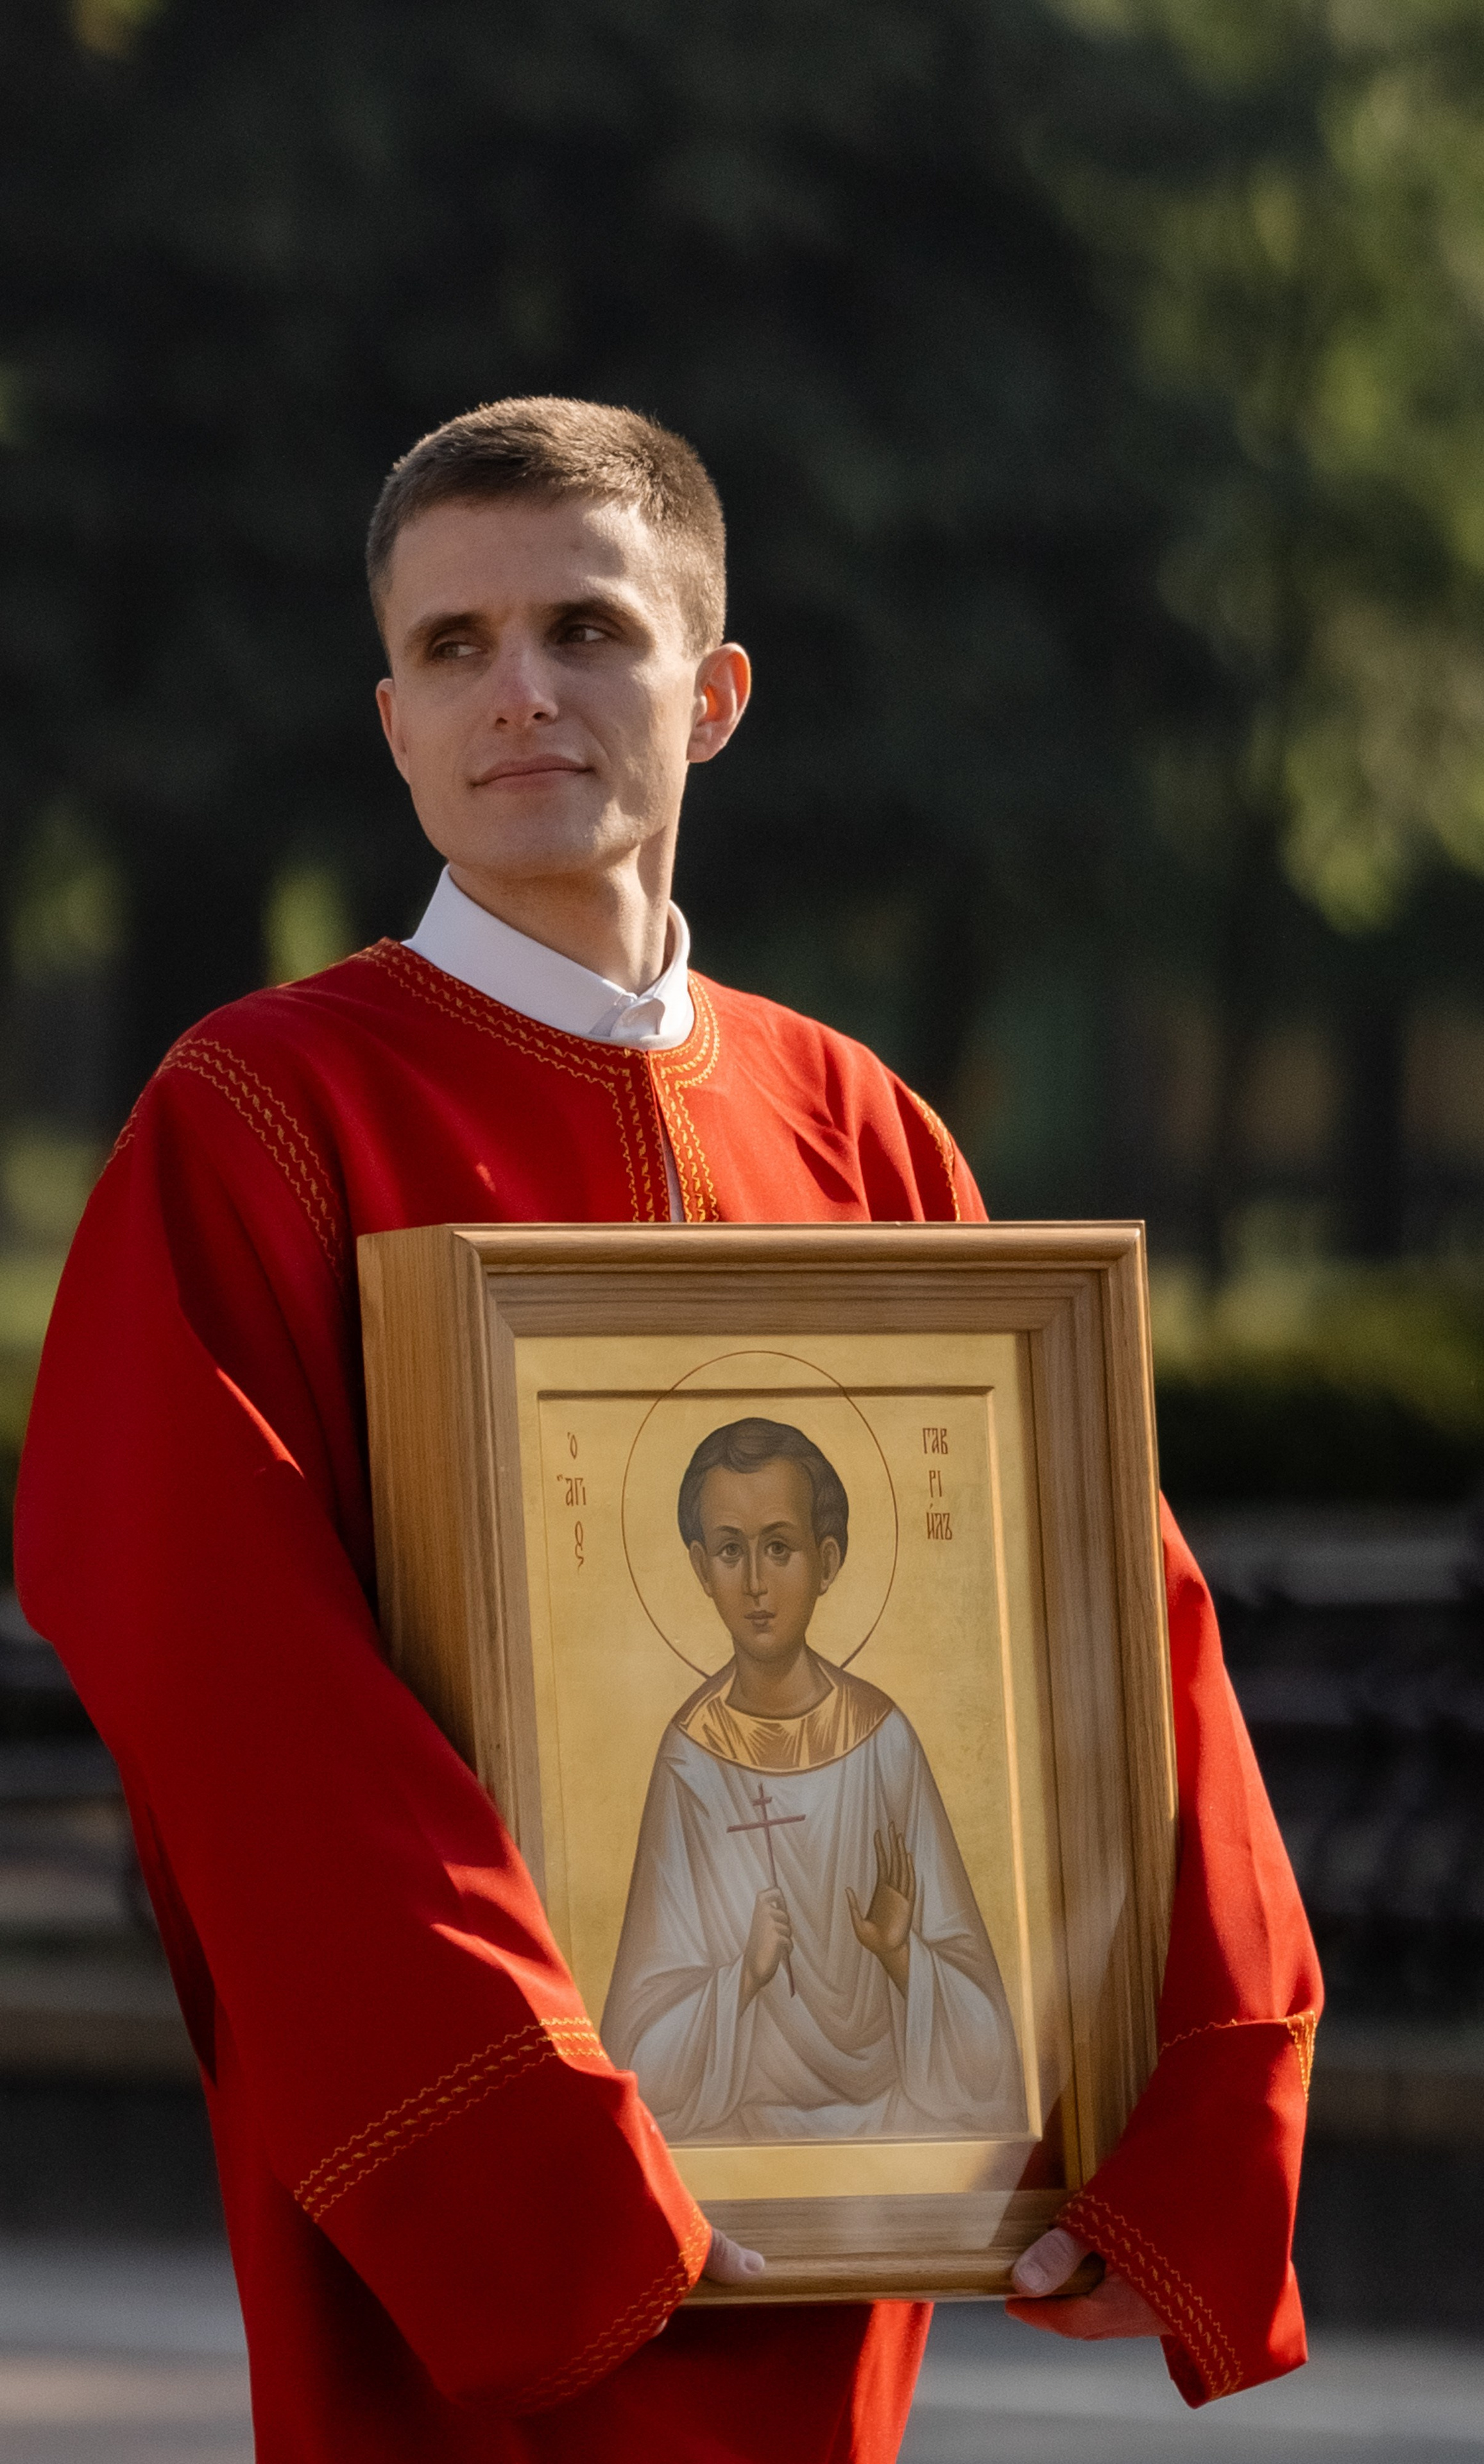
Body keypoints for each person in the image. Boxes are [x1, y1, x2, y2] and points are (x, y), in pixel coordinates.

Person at [15, 397, 1322, 2463]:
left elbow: (1111, 1617)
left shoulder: (858, 1123)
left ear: (708, 694)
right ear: (391, 718)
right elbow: (223, 1668)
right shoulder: (264, 1114)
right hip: (473, 2244)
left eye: (584, 630)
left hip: (846, 2196)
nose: (517, 693)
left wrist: (1172, 2097)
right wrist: (535, 2130)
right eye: (452, 647)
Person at [601, 1417, 1028, 2142]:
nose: (757, 1583)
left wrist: (901, 1954)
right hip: (734, 2149)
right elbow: (636, 2061)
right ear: (701, 1569)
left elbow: (989, 2056)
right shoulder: (689, 1762)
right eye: (731, 1552)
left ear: (827, 1561)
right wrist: (741, 1975)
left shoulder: (883, 1743)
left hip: (896, 2141)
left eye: (780, 1546)